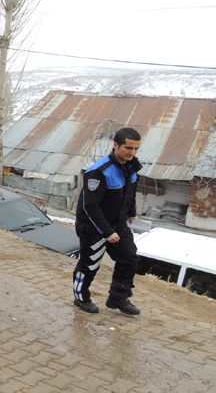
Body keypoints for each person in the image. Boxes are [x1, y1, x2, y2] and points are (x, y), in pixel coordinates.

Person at [72, 127, 143, 315]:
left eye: (136, 149)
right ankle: (81, 297)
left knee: (129, 258)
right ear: (116, 145)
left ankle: (118, 297)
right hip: (93, 226)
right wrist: (106, 232)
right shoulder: (98, 172)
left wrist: (132, 213)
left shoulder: (132, 167)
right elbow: (90, 207)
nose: (132, 153)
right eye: (128, 148)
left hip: (118, 223)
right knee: (90, 264)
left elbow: (130, 193)